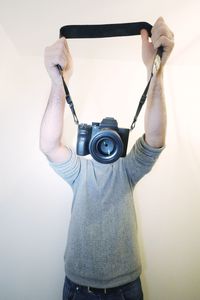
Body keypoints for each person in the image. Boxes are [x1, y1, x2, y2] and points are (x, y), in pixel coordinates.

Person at [40, 17, 174, 300]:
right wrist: (58, 82)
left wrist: (156, 73)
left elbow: (154, 138)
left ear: (121, 139)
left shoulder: (127, 169)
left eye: (111, 139)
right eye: (101, 138)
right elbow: (50, 145)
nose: (106, 145)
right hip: (77, 287)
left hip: (126, 288)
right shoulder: (80, 171)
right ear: (89, 138)